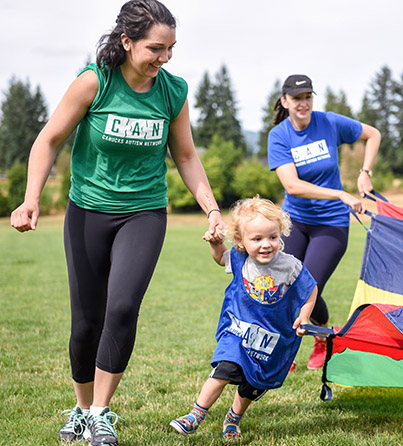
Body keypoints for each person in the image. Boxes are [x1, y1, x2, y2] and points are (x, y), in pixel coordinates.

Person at [10, 1, 225, 445]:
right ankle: (82, 407)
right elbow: (48, 139)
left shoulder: (173, 91)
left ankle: (102, 413)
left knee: (122, 308)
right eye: (155, 48)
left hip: (145, 211)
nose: (164, 58)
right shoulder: (95, 82)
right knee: (86, 321)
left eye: (171, 49)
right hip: (88, 210)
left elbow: (184, 155)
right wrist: (31, 199)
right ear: (126, 42)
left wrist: (212, 208)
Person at [170, 196, 317, 440]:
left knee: (252, 385)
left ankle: (234, 418)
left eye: (272, 237)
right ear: (240, 240)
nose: (266, 245)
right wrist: (215, 244)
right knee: (225, 368)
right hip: (238, 332)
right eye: (256, 239)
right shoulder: (240, 258)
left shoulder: (290, 266)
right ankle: (195, 414)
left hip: (271, 338)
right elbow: (220, 259)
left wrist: (304, 315)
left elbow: (310, 287)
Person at [267, 74, 381, 370]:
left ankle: (321, 338)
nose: (303, 103)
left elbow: (373, 134)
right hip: (295, 222)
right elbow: (292, 185)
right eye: (296, 98)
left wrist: (365, 171)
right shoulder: (279, 135)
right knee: (283, 283)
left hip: (330, 224)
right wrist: (340, 193)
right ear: (285, 101)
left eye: (307, 96)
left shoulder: (328, 123)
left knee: (307, 285)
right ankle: (285, 348)